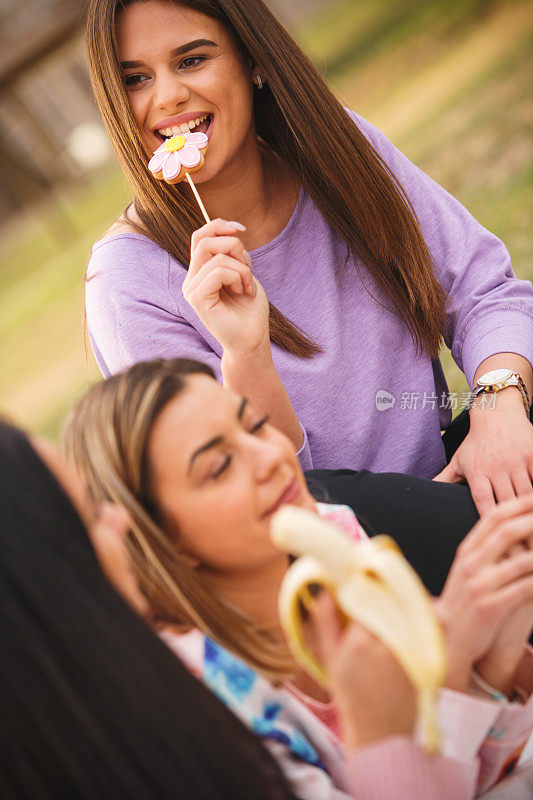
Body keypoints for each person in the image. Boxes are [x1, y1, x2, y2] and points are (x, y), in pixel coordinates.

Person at [84, 0, 533, 520]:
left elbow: (483, 291)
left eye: (191, 60)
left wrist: (498, 408)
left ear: (254, 60)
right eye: (135, 79)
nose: (167, 96)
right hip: (333, 534)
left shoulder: (336, 152)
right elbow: (257, 496)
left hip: (450, 467)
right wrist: (246, 353)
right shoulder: (126, 283)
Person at [62, 357, 533, 799]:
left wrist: (494, 666)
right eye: (220, 466)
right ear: (162, 539)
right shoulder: (195, 711)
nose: (270, 457)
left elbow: (461, 774)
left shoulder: (333, 536)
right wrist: (446, 672)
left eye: (254, 427)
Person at [0, 420, 300, 800]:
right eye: (92, 515)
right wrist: (377, 734)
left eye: (255, 426)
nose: (121, 519)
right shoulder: (207, 700)